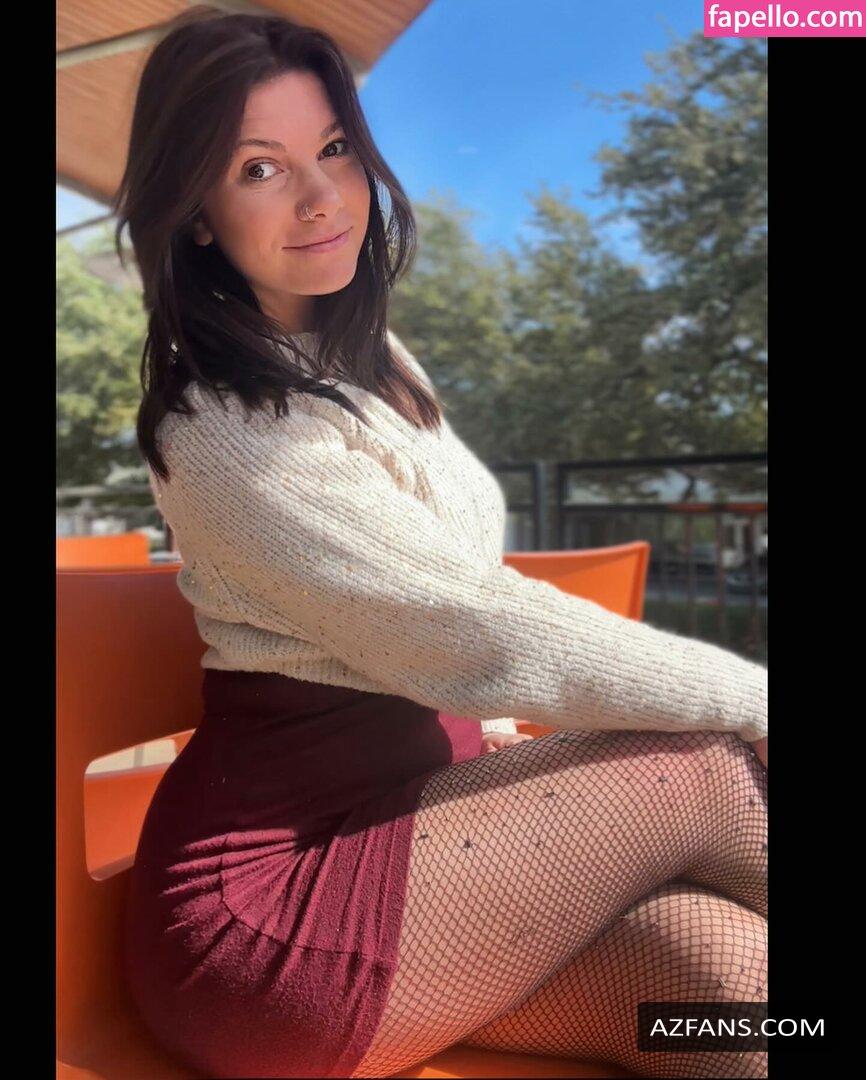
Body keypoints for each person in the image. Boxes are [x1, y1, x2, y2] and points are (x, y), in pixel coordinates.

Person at [116, 9, 767, 1079]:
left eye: (334, 148)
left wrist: (493, 732)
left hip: (423, 848)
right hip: (276, 921)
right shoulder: (225, 428)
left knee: (733, 989)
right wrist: (753, 698)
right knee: (705, 765)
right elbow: (469, 625)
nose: (322, 196)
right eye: (259, 168)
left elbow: (442, 584)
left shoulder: (375, 365)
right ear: (193, 210)